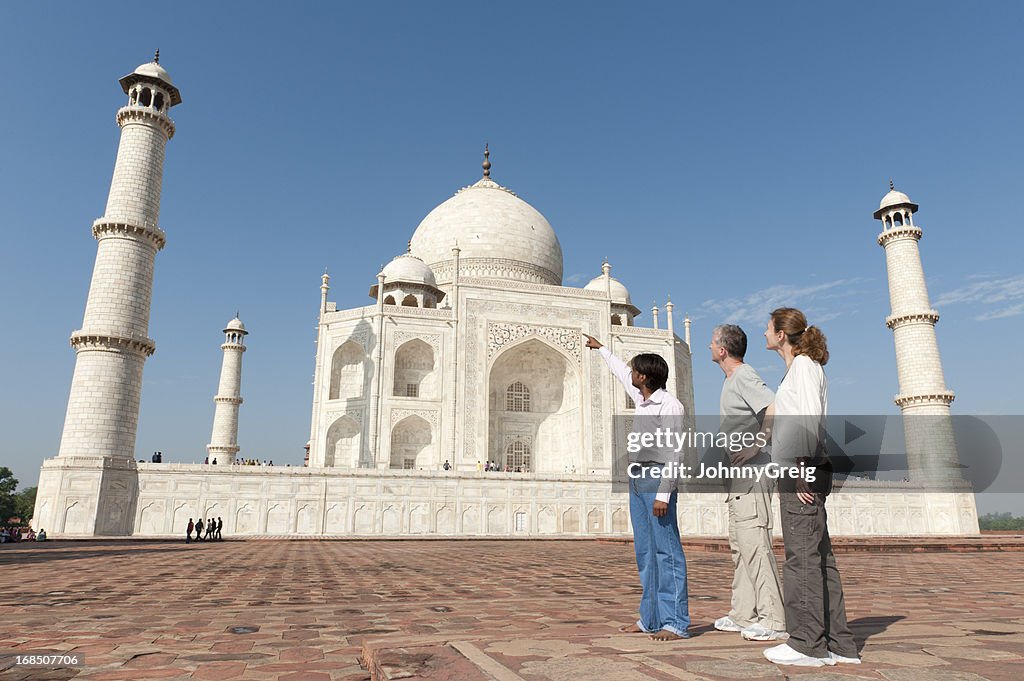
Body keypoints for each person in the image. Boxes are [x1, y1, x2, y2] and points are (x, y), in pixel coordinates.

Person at [760, 308, 859, 667]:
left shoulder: (802, 367)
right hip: (809, 467)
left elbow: (807, 421)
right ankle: (839, 644)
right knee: (820, 560)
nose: (764, 335)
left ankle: (806, 643)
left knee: (801, 558)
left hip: (802, 472)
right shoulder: (801, 369)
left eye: (768, 329)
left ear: (782, 335)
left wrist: (802, 471)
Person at [585, 333, 690, 641]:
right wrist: (601, 349)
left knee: (667, 551)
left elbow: (675, 452)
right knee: (645, 551)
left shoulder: (670, 406)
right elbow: (620, 372)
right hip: (638, 477)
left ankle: (676, 622)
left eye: (635, 371)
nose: (630, 374)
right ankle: (651, 618)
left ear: (644, 376)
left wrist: (663, 494)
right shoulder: (643, 399)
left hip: (658, 479)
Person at [709, 324, 787, 641]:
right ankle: (744, 614)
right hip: (739, 475)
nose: (709, 347)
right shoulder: (731, 381)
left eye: (712, 342)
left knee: (755, 545)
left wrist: (758, 442)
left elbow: (774, 405)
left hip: (754, 472)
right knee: (740, 546)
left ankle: (774, 620)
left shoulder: (743, 375)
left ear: (723, 350)